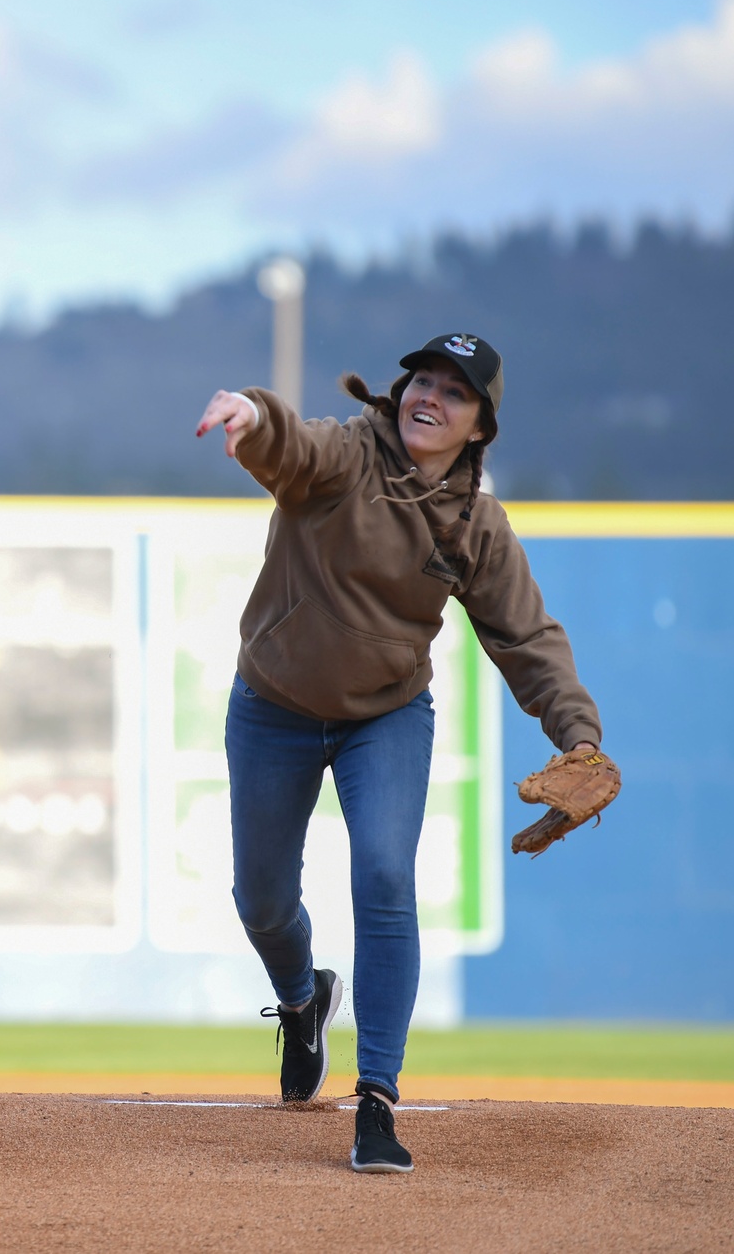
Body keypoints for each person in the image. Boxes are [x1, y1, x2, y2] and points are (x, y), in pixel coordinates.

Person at [194, 333, 603, 1174]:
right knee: (262, 901)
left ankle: (375, 1099)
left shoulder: (474, 526)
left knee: (384, 875)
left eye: (455, 393)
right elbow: (289, 443)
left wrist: (579, 738)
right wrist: (251, 414)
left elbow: (526, 638)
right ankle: (303, 998)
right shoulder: (345, 456)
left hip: (383, 716)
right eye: (422, 380)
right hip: (271, 705)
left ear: (480, 427)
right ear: (398, 390)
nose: (431, 397)